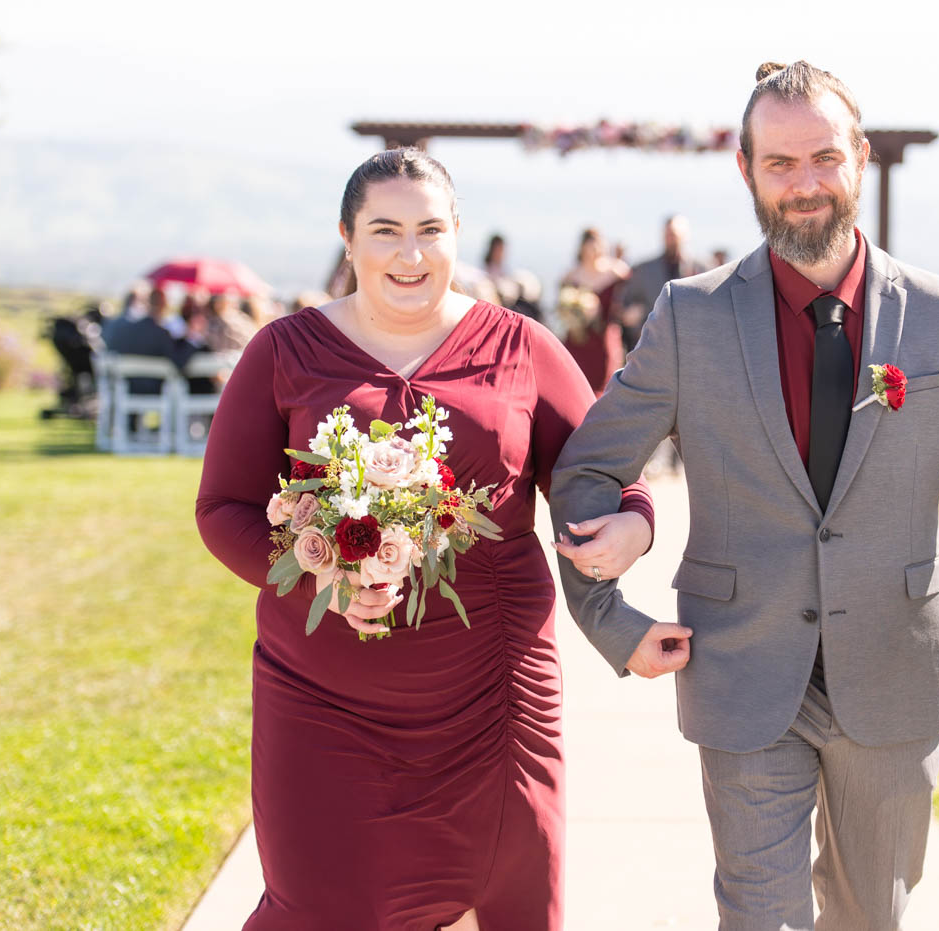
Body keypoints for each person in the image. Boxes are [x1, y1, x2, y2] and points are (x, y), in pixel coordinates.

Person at [551, 60, 939, 930]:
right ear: (746, 170)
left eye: (824, 157)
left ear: (859, 157)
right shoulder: (690, 317)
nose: (805, 184)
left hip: (894, 674)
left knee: (871, 917)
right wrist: (613, 620)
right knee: (760, 917)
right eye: (780, 163)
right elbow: (583, 474)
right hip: (741, 670)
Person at [195, 147, 653, 930]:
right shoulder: (283, 351)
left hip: (493, 691)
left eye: (430, 230)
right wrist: (316, 574)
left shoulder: (522, 347)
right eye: (385, 230)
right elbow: (223, 507)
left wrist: (634, 521)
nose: (410, 254)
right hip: (322, 695)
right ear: (347, 238)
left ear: (457, 233)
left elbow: (605, 473)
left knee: (507, 897)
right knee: (319, 902)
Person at [616, 215, 705, 353]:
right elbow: (627, 306)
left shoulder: (703, 269)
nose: (671, 239)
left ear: (685, 236)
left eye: (674, 235)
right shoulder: (644, 270)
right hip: (651, 347)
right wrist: (639, 330)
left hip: (690, 348)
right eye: (667, 235)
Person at [558, 227, 629, 394]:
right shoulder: (570, 276)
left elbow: (631, 299)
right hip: (578, 341)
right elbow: (561, 308)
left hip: (604, 341)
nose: (594, 250)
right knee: (575, 387)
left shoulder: (617, 272)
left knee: (604, 389)